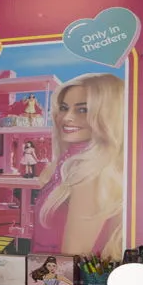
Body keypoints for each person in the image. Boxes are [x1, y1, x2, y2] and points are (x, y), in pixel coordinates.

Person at [31, 73, 127, 259]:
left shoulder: (91, 176)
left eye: (82, 110)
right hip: (45, 272)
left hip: (57, 275)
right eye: (64, 108)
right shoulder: (67, 165)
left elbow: (71, 261)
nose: (67, 117)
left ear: (108, 114)